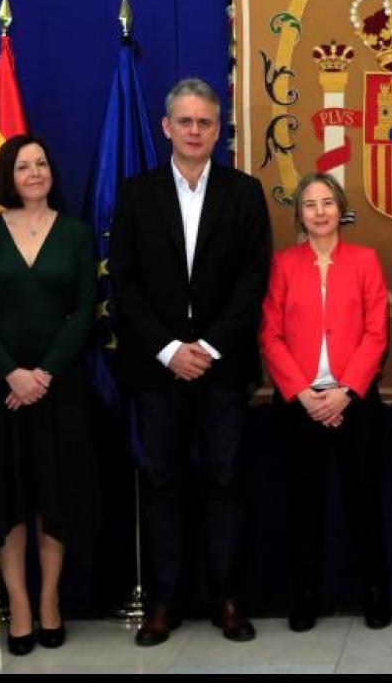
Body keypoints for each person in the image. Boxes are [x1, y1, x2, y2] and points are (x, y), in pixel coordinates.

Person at [109, 78, 270, 646]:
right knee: (164, 483)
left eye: (205, 122)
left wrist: (210, 347)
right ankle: (165, 602)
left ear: (218, 129)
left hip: (223, 367)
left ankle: (228, 599)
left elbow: (254, 278)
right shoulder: (136, 194)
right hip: (158, 370)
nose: (195, 131)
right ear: (166, 127)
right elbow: (124, 282)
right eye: (185, 121)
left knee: (225, 482)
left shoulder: (244, 193)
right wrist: (171, 349)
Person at [0, 134, 101, 656]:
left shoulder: (77, 234)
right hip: (1, 390)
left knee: (54, 497)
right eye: (24, 166)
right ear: (8, 175)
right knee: (10, 500)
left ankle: (49, 601)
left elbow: (85, 309)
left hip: (58, 387)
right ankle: (18, 606)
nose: (36, 172)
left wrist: (42, 374)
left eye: (42, 163)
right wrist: (11, 375)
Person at [259, 173, 391, 632]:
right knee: (303, 504)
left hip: (354, 401)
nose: (319, 212)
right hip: (299, 404)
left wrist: (345, 392)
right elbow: (270, 336)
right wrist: (304, 394)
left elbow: (376, 333)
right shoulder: (282, 265)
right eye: (310, 204)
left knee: (364, 500)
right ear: (299, 214)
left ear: (341, 210)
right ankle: (306, 595)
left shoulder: (364, 261)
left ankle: (375, 592)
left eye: (328, 203)